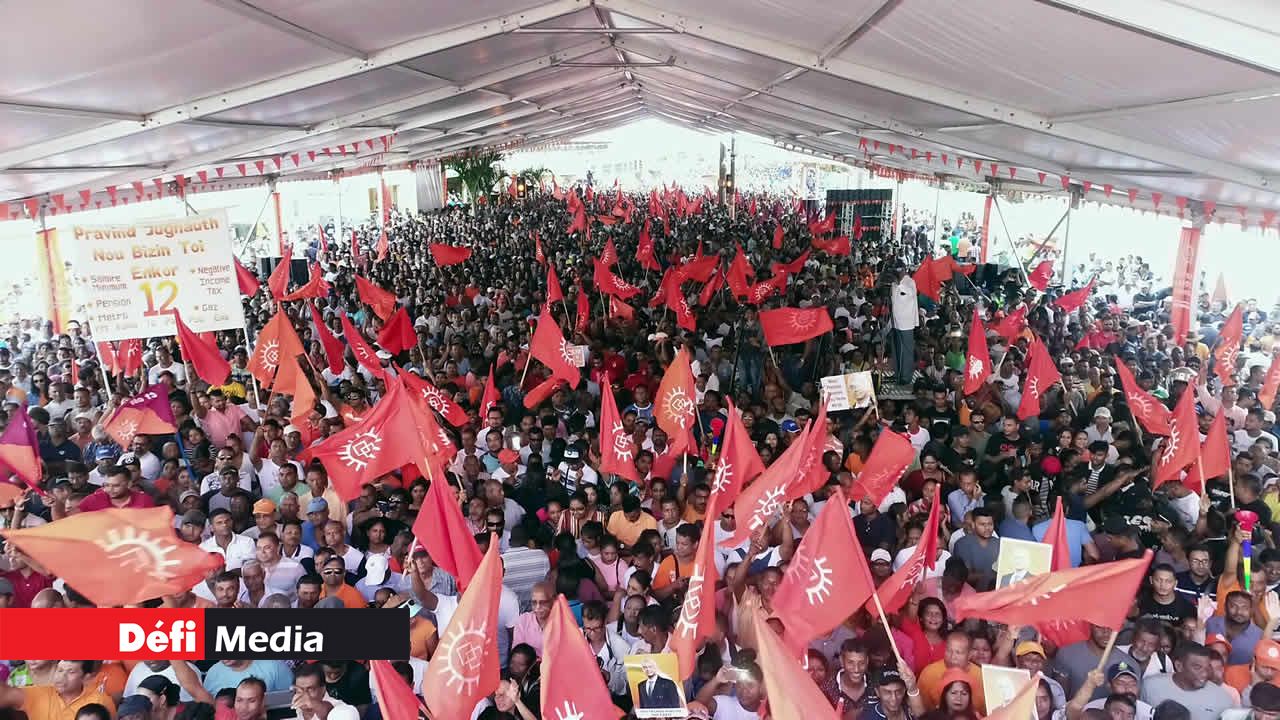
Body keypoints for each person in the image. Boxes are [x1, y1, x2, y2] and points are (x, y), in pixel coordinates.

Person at [1140, 643, 1234, 720]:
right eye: (1197, 667)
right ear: (1179, 666)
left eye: (1207, 667)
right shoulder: (1150, 686)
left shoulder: (1223, 699)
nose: (1205, 674)